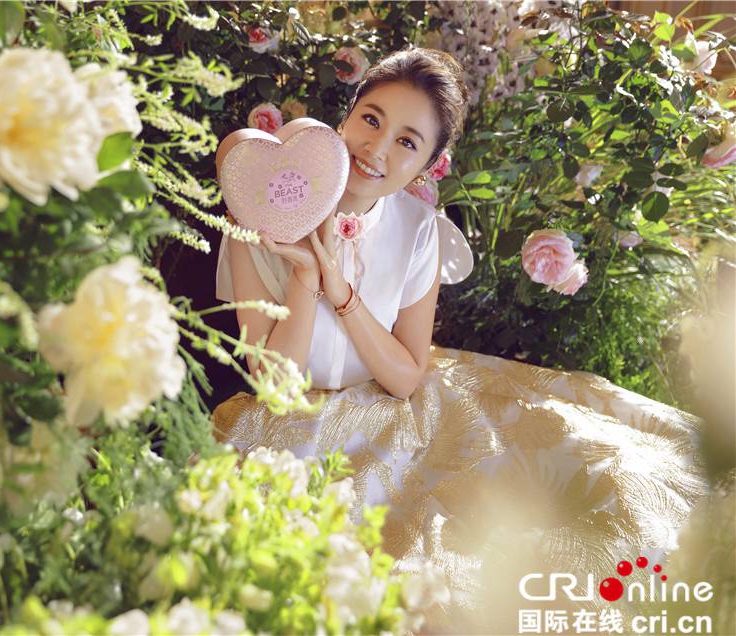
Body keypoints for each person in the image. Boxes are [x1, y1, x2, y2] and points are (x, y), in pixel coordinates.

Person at [213, 48, 708, 633]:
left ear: (427, 165)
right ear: (345, 117)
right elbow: (274, 383)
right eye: (371, 119)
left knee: (552, 503)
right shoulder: (260, 216)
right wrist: (304, 274)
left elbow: (405, 376)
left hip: (390, 414)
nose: (377, 148)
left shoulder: (420, 231)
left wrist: (340, 290)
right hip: (290, 429)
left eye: (407, 141)